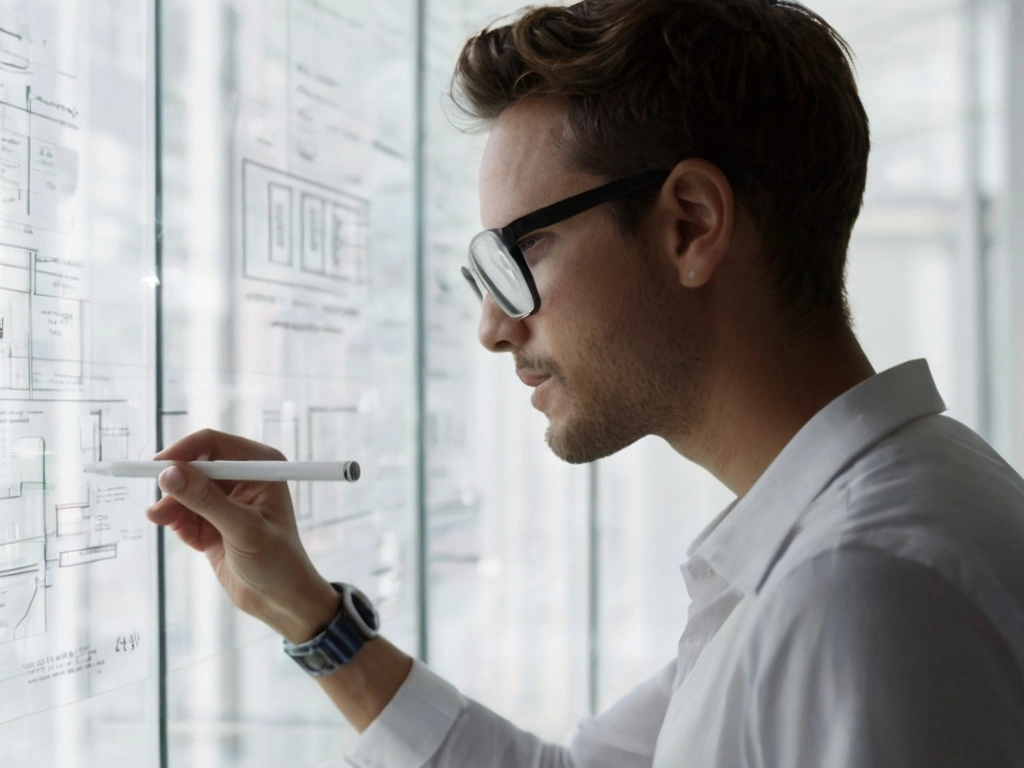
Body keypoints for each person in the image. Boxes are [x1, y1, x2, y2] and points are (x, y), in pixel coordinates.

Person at [146, 0, 1024, 765]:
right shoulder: (868, 522)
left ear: (691, 225)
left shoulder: (858, 589)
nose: (493, 327)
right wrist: (308, 612)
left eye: (519, 254)